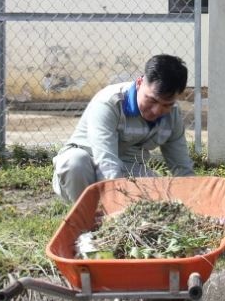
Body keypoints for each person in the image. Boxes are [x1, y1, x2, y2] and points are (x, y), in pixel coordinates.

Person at [52, 54, 196, 204]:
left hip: (126, 168)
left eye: (167, 105)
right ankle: (86, 214)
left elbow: (182, 167)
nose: (156, 110)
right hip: (86, 167)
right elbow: (106, 163)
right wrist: (116, 211)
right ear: (140, 82)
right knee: (75, 162)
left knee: (159, 193)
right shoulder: (109, 102)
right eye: (152, 100)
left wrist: (195, 199)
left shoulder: (172, 115)